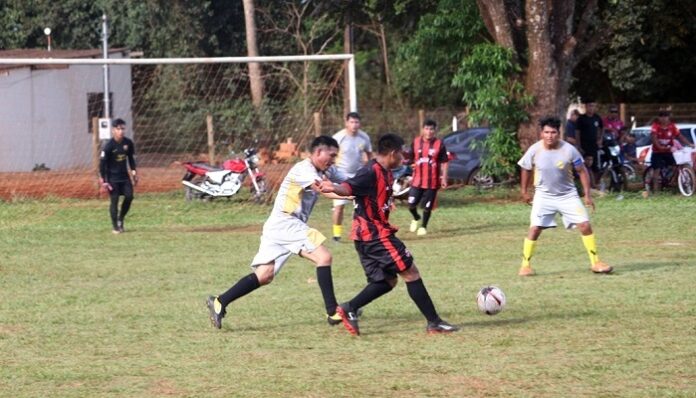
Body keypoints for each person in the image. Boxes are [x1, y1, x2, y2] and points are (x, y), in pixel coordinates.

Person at [319, 133, 459, 335]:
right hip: (375, 236)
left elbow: (369, 194)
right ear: (393, 153)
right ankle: (434, 322)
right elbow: (348, 188)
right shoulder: (370, 172)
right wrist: (333, 187)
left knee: (386, 281)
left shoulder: (386, 172)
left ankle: (349, 308)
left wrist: (386, 202)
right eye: (401, 154)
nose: (403, 158)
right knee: (411, 273)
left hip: (367, 237)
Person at [206, 136, 350, 330]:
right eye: (331, 155)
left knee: (265, 274)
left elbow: (349, 180)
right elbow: (325, 191)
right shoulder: (303, 170)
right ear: (317, 153)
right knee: (323, 257)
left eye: (335, 156)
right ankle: (332, 312)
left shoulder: (327, 169)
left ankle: (220, 301)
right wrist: (355, 194)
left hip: (277, 225)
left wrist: (367, 186)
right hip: (287, 222)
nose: (333, 159)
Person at [517, 116, 613, 277]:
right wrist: (524, 191)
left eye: (553, 132)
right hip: (543, 196)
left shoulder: (569, 150)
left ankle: (596, 262)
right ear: (541, 133)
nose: (549, 136)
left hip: (568, 195)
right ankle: (525, 265)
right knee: (535, 229)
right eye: (546, 132)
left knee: (585, 225)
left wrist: (587, 195)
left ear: (558, 133)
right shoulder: (535, 150)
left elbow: (582, 171)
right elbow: (525, 168)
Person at [331, 112, 373, 241]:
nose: (354, 125)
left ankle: (362, 231)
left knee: (362, 205)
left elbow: (369, 153)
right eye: (352, 122)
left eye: (357, 122)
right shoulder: (339, 137)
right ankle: (336, 235)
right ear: (346, 123)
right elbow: (331, 154)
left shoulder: (364, 137)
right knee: (339, 206)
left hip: (358, 175)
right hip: (341, 175)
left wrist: (369, 169)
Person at [407, 119, 449, 236]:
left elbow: (445, 162)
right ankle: (416, 217)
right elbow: (410, 158)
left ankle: (423, 226)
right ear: (422, 129)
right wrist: (411, 164)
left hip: (432, 182)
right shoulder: (415, 142)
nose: (429, 131)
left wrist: (444, 178)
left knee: (427, 206)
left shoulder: (439, 144)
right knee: (411, 205)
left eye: (431, 129)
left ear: (435, 131)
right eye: (426, 128)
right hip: (417, 181)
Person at [99, 118, 138, 234]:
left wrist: (134, 173)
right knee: (114, 201)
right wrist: (104, 180)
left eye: (122, 129)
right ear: (113, 130)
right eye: (118, 129)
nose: (121, 131)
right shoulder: (108, 146)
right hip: (112, 178)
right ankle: (115, 226)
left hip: (124, 177)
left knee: (129, 196)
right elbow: (102, 164)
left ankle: (121, 218)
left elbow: (131, 159)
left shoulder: (128, 143)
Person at [649, 110, 695, 175]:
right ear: (659, 117)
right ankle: (655, 185)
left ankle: (673, 182)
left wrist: (689, 144)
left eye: (665, 116)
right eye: (661, 116)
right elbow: (654, 138)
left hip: (668, 151)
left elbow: (680, 136)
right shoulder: (655, 126)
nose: (663, 118)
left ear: (668, 117)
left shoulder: (672, 126)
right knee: (657, 170)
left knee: (674, 167)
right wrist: (660, 147)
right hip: (657, 152)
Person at [576, 99, 603, 184]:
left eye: (593, 106)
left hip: (594, 145)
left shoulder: (597, 118)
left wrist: (600, 139)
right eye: (590, 106)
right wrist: (578, 145)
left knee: (595, 166)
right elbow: (577, 132)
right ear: (586, 107)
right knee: (585, 165)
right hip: (584, 145)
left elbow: (602, 128)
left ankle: (595, 184)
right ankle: (585, 184)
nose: (592, 108)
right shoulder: (581, 118)